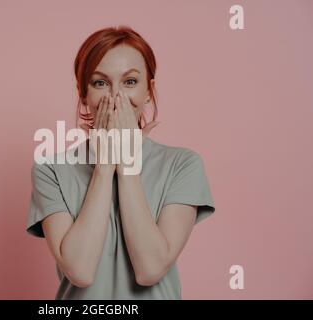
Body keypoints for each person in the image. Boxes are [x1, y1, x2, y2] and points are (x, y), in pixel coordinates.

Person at [26, 26, 216, 299]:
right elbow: (80, 271)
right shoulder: (51, 170)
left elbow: (150, 269)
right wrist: (105, 165)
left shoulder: (182, 165)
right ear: (83, 95)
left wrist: (126, 163)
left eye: (129, 82)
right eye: (100, 83)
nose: (116, 98)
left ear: (149, 91)